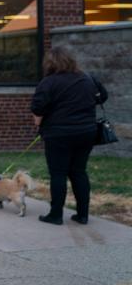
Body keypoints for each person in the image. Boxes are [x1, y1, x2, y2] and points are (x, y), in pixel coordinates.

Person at [30, 46, 107, 225]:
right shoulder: (88, 79)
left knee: (58, 173)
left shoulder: (48, 82)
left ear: (49, 62)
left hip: (58, 134)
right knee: (79, 171)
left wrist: (40, 122)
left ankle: (56, 215)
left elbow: (37, 109)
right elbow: (102, 96)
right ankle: (83, 215)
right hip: (86, 132)